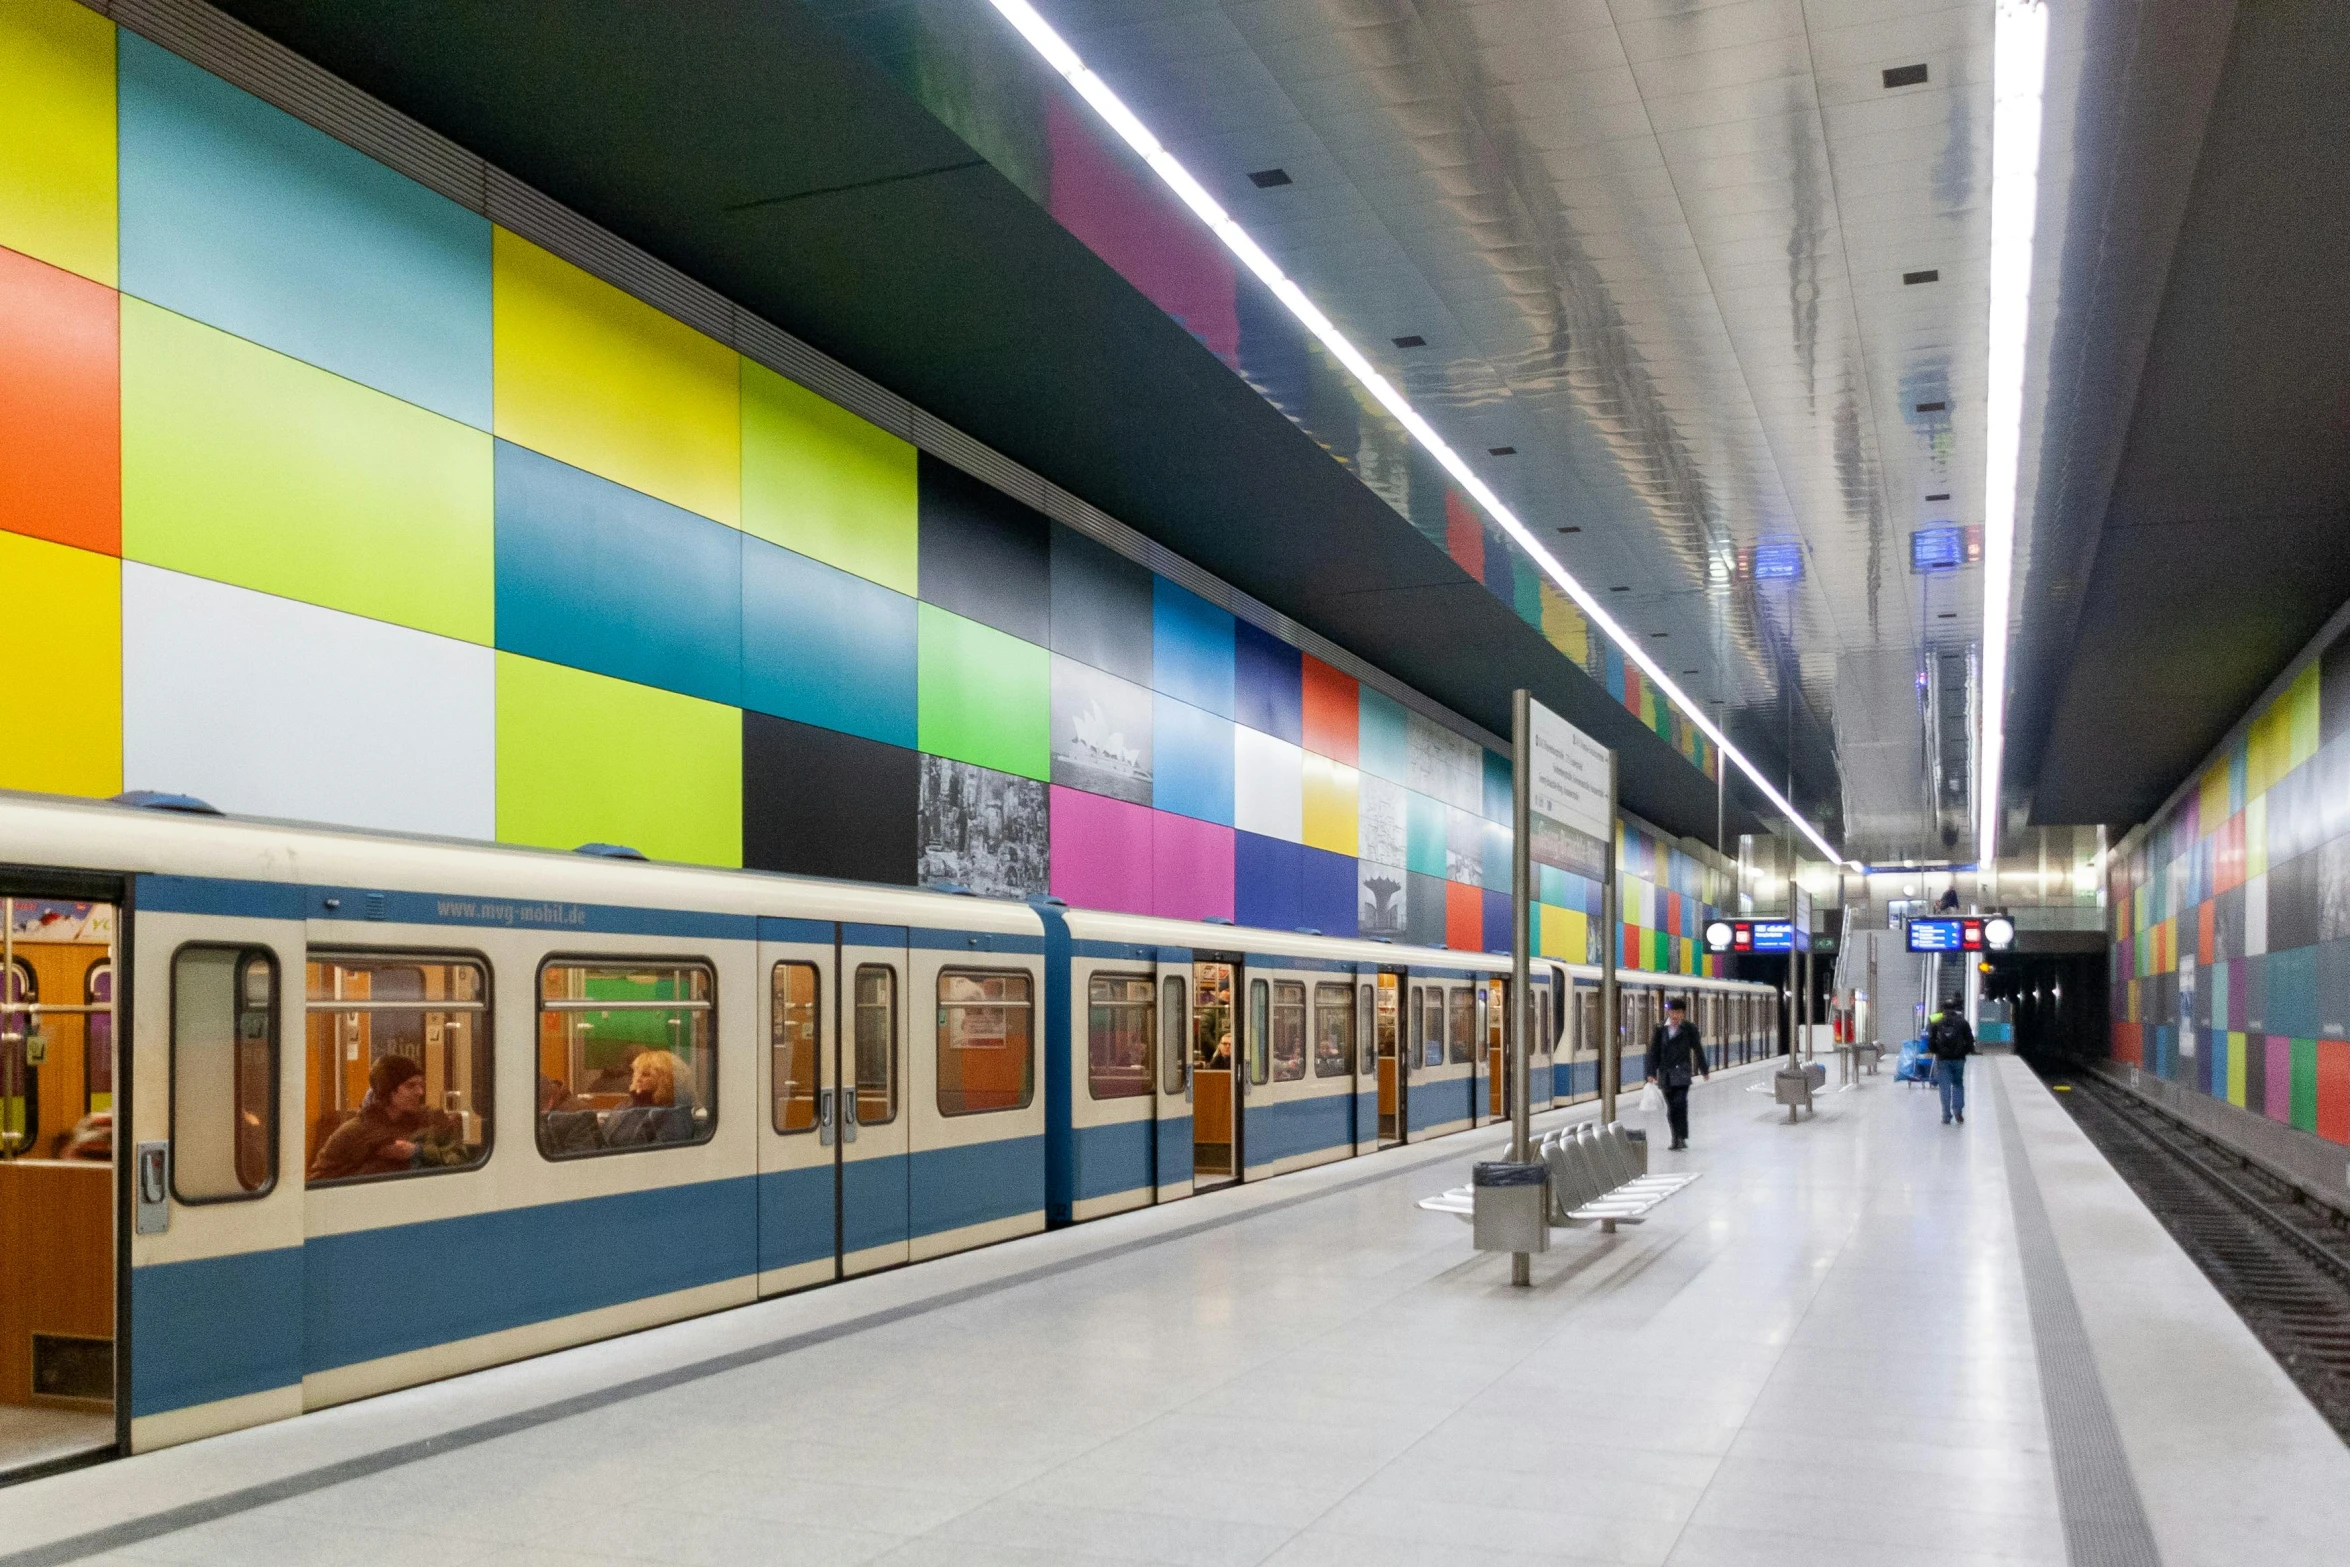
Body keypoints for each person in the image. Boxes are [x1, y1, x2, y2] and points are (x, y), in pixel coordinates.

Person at [309, 1055, 452, 1181]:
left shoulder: (428, 1121)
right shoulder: (354, 1132)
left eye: (421, 1085)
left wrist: (417, 1151)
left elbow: (460, 1156)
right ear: (388, 1090)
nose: (420, 1092)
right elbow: (317, 1183)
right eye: (411, 1086)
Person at [1646, 996, 1711, 1151]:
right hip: (1666, 1074)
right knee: (1671, 1108)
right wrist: (1651, 1072)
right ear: (1668, 1012)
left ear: (1683, 1014)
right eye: (1673, 1012)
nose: (1675, 1015)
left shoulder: (1689, 1028)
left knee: (1680, 1104)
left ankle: (1681, 1137)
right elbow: (1653, 1051)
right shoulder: (1660, 1028)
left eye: (1679, 1012)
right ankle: (1675, 1137)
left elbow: (1697, 1049)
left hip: (1682, 1073)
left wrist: (1704, 1070)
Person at [1929, 1008, 1976, 1124]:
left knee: (1944, 1087)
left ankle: (1946, 1115)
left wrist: (1937, 1051)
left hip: (1943, 1059)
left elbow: (1931, 1041)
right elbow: (1970, 1040)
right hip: (1958, 1059)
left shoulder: (1936, 1022)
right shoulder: (1962, 1022)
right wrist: (1964, 1052)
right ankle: (1958, 1111)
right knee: (1958, 1085)